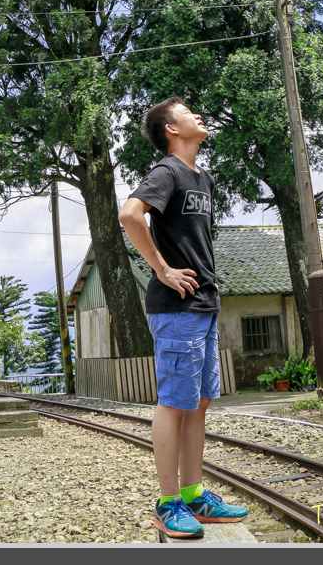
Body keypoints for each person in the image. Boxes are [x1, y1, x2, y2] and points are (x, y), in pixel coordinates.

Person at [118, 97, 248, 539]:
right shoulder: (166, 172)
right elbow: (130, 215)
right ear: (172, 129)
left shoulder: (202, 178)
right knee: (174, 403)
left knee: (198, 403)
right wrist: (162, 269)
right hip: (176, 309)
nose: (199, 115)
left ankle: (194, 496)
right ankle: (168, 504)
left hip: (204, 304)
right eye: (189, 111)